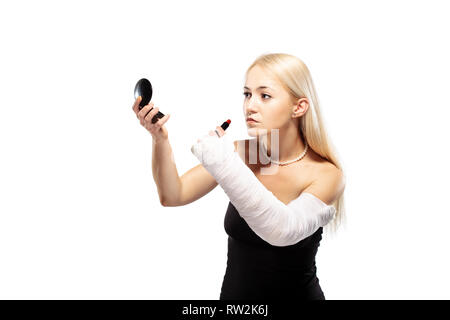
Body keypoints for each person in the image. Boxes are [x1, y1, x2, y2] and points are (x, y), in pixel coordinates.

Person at [132, 53, 346, 300]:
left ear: (298, 107)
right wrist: (160, 138)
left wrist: (222, 162)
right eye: (247, 94)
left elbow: (282, 229)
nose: (250, 106)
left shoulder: (326, 174)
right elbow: (173, 194)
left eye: (265, 96)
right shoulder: (244, 154)